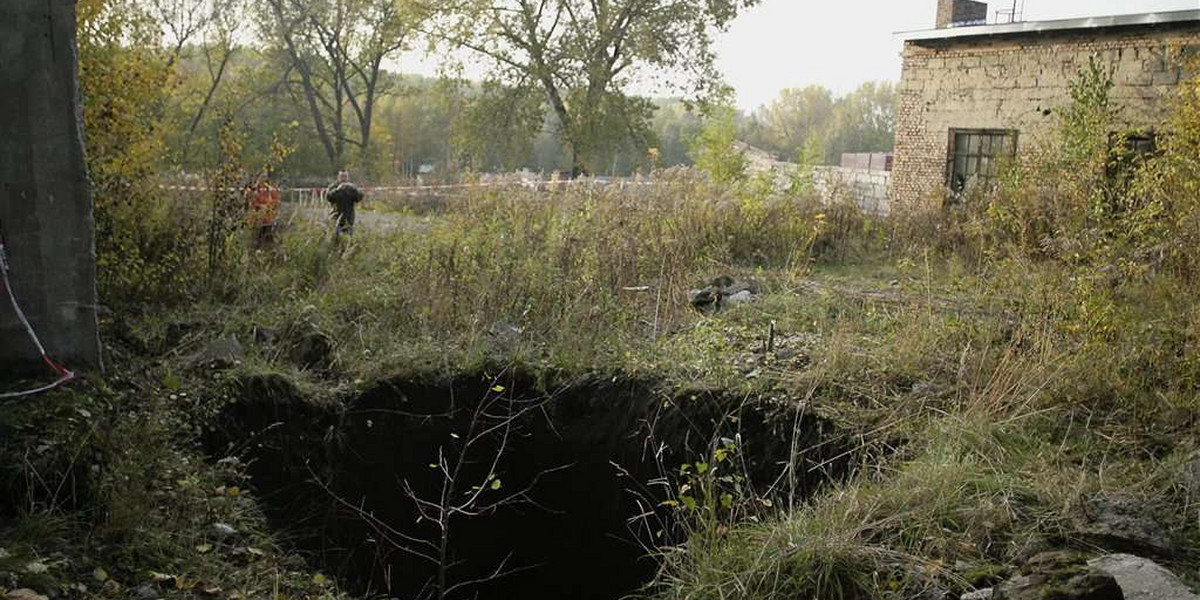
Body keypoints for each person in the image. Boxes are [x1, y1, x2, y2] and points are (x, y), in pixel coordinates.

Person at [245, 174, 281, 244]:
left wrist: (269, 207)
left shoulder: (271, 190)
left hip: (268, 220)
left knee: (267, 236)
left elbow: (276, 203)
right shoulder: (256, 190)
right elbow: (252, 203)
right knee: (257, 237)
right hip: (258, 220)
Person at [326, 169, 364, 235]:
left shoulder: (351, 188)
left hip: (348, 219)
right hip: (335, 217)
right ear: (338, 177)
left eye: (345, 176)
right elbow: (328, 197)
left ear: (348, 178)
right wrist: (338, 189)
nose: (344, 179)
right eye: (342, 176)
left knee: (348, 239)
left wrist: (355, 190)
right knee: (335, 237)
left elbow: (359, 198)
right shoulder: (333, 187)